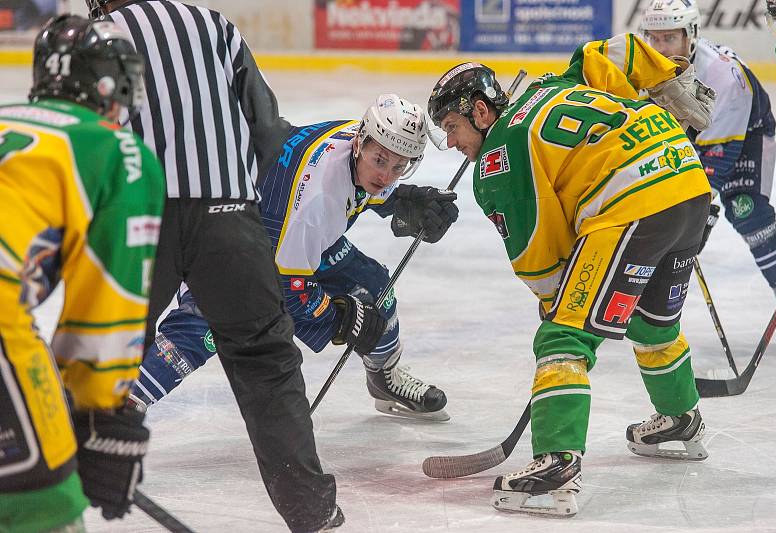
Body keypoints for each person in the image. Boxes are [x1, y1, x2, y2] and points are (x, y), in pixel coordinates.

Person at [427, 33, 715, 517]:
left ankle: (556, 465)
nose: (452, 142)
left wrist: (558, 303)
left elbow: (537, 249)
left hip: (632, 203)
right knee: (651, 319)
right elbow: (607, 52)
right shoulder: (550, 85)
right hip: (688, 182)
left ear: (480, 111)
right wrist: (674, 80)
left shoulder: (497, 156)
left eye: (453, 126)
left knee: (562, 337)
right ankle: (681, 417)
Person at [85, 0, 342, 530]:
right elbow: (268, 130)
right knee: (266, 361)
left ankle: (45, 490)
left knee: (96, 347)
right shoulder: (213, 24)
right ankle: (311, 512)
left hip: (139, 217)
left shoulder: (99, 34)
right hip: (229, 219)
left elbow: (85, 141)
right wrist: (233, 196)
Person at [128, 94, 457, 422]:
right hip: (227, 235)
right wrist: (340, 319)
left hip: (285, 233)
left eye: (399, 167)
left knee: (374, 289)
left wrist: (402, 202)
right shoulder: (316, 198)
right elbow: (289, 288)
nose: (386, 176)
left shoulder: (356, 142)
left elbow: (365, 190)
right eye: (381, 161)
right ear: (360, 143)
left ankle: (386, 379)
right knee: (206, 325)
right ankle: (121, 402)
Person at [0, 15, 164, 531]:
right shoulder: (118, 151)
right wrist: (101, 416)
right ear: (108, 84)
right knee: (45, 509)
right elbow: (107, 302)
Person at [640, 0, 776, 355]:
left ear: (690, 35)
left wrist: (702, 200)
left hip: (747, 135)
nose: (660, 47)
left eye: (669, 38)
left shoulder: (721, 76)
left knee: (747, 211)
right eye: (654, 38)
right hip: (695, 134)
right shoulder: (644, 67)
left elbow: (718, 155)